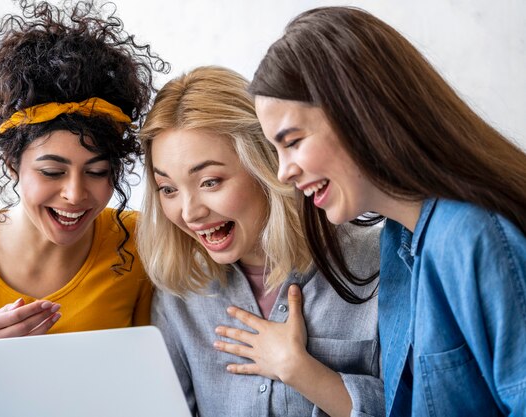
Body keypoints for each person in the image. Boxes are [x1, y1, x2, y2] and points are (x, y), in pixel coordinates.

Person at [249, 6, 526, 417]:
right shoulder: (399, 242)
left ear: (357, 111)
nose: (284, 171)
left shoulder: (470, 237)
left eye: (292, 141)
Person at [0, 2, 167, 416]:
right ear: (12, 165)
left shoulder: (137, 242)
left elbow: (155, 391)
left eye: (97, 171)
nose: (76, 194)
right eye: (52, 171)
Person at [137, 66, 385, 417]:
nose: (189, 212)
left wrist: (302, 371)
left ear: (265, 166)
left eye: (210, 182)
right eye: (168, 189)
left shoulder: (380, 262)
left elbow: (425, 405)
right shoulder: (181, 296)